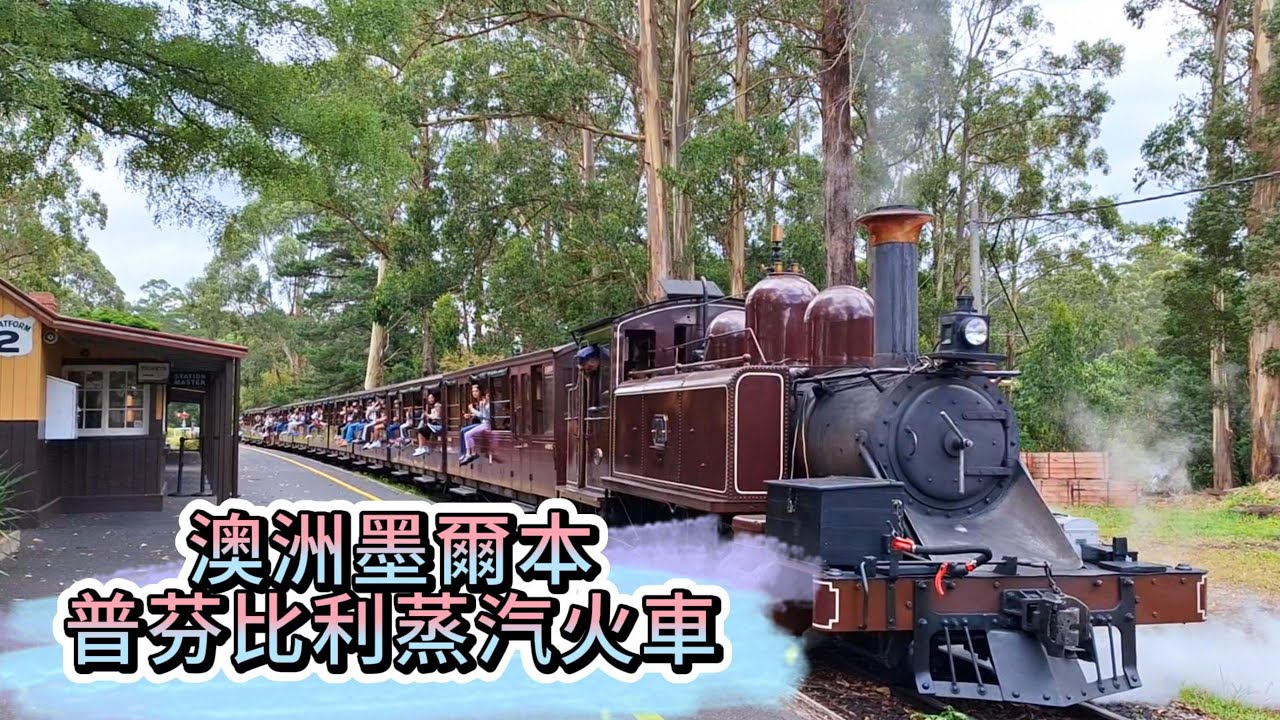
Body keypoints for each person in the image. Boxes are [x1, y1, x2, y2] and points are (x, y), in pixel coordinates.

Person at [459, 389, 491, 465]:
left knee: (467, 434)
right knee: (466, 433)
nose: (487, 397)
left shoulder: (489, 405)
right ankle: (470, 453)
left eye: (489, 396)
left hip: (487, 424)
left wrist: (472, 409)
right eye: (487, 396)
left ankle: (469, 454)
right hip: (484, 423)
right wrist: (472, 414)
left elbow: (483, 416)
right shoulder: (484, 404)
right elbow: (482, 414)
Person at [413, 392, 444, 457]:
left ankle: (422, 447)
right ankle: (422, 447)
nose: (430, 399)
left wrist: (427, 415)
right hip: (435, 424)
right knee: (421, 429)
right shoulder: (433, 406)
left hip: (439, 425)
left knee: (422, 430)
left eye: (432, 398)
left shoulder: (437, 405)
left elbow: (437, 417)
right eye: (429, 398)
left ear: (435, 398)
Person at [457, 384, 483, 456]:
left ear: (480, 392)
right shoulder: (476, 402)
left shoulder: (482, 401)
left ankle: (464, 453)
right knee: (462, 430)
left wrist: (472, 409)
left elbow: (482, 415)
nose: (474, 393)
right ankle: (463, 453)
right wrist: (470, 415)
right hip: (478, 422)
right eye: (473, 391)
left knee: (464, 431)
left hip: (482, 423)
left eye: (476, 391)